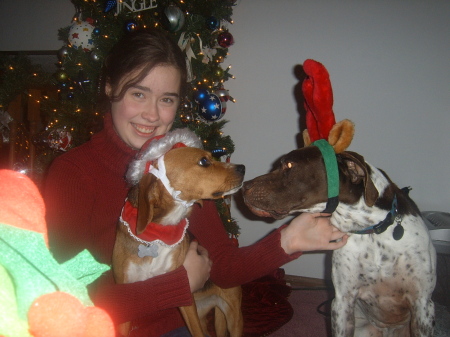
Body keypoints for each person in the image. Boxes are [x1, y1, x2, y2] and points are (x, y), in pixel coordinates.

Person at [43, 28, 347, 337]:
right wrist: (178, 285)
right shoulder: (72, 173)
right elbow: (69, 299)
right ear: (109, 88)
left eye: (166, 100)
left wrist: (290, 240)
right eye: (138, 94)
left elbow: (225, 266)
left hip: (174, 325)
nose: (151, 114)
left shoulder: (181, 169)